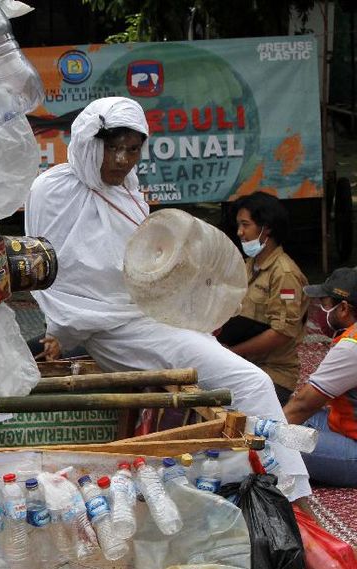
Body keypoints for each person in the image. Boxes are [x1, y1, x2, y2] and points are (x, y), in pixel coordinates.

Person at [25, 96, 311, 500]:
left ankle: (290, 484)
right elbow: (58, 270)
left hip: (148, 316)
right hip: (110, 328)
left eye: (133, 149)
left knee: (252, 384)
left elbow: (142, 268)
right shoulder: (51, 189)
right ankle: (296, 496)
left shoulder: (128, 190)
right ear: (89, 141)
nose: (123, 160)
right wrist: (62, 329)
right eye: (113, 147)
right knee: (252, 383)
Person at [217, 191, 308, 405]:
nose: (239, 232)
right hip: (245, 367)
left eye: (245, 225)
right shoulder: (248, 265)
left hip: (272, 375)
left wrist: (232, 352)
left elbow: (282, 332)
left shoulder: (284, 274)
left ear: (266, 228)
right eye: (238, 225)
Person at [282, 267, 357, 487]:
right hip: (345, 424)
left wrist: (263, 436)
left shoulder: (352, 347)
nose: (319, 311)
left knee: (276, 441)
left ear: (343, 308)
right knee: (278, 416)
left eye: (324, 304)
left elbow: (303, 404)